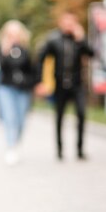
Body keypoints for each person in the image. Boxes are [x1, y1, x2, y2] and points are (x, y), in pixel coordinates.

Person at [37, 12, 95, 161]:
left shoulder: (78, 39)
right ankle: (60, 150)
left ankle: (80, 150)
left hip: (77, 85)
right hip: (60, 85)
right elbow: (41, 58)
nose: (69, 25)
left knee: (81, 114)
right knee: (59, 117)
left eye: (71, 22)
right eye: (66, 22)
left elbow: (92, 53)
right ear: (61, 23)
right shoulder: (53, 39)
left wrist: (81, 39)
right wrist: (40, 81)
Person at [0, 20, 36, 165]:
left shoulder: (25, 49)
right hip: (6, 88)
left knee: (20, 121)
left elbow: (30, 69)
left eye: (15, 33)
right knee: (9, 118)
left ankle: (16, 143)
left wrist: (33, 84)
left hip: (23, 90)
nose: (13, 36)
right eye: (10, 33)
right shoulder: (2, 48)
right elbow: (2, 66)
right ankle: (11, 147)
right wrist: (5, 50)